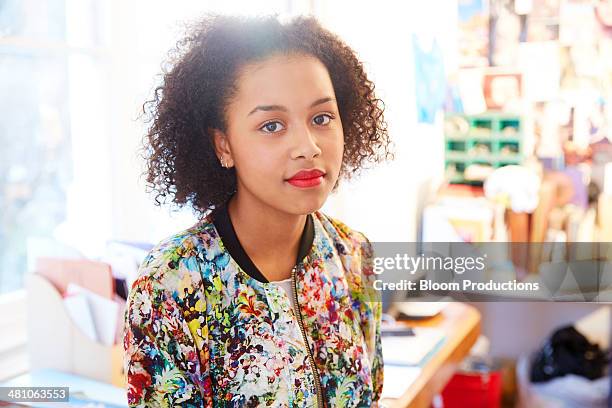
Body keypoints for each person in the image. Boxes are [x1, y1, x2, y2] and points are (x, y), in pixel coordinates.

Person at [123, 14, 393, 407]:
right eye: (272, 125)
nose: (308, 146)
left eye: (321, 118)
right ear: (224, 146)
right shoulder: (170, 285)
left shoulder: (354, 254)